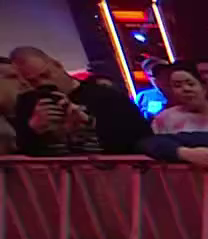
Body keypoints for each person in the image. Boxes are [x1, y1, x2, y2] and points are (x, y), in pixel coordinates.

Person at [10, 45, 152, 156]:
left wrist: (90, 123)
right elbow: (19, 152)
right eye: (32, 82)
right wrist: (33, 129)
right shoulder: (27, 104)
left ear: (58, 65)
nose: (42, 83)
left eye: (45, 75)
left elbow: (140, 139)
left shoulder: (106, 96)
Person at [150, 64, 208, 139]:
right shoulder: (163, 119)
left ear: (204, 87)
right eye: (177, 86)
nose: (186, 89)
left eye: (191, 84)